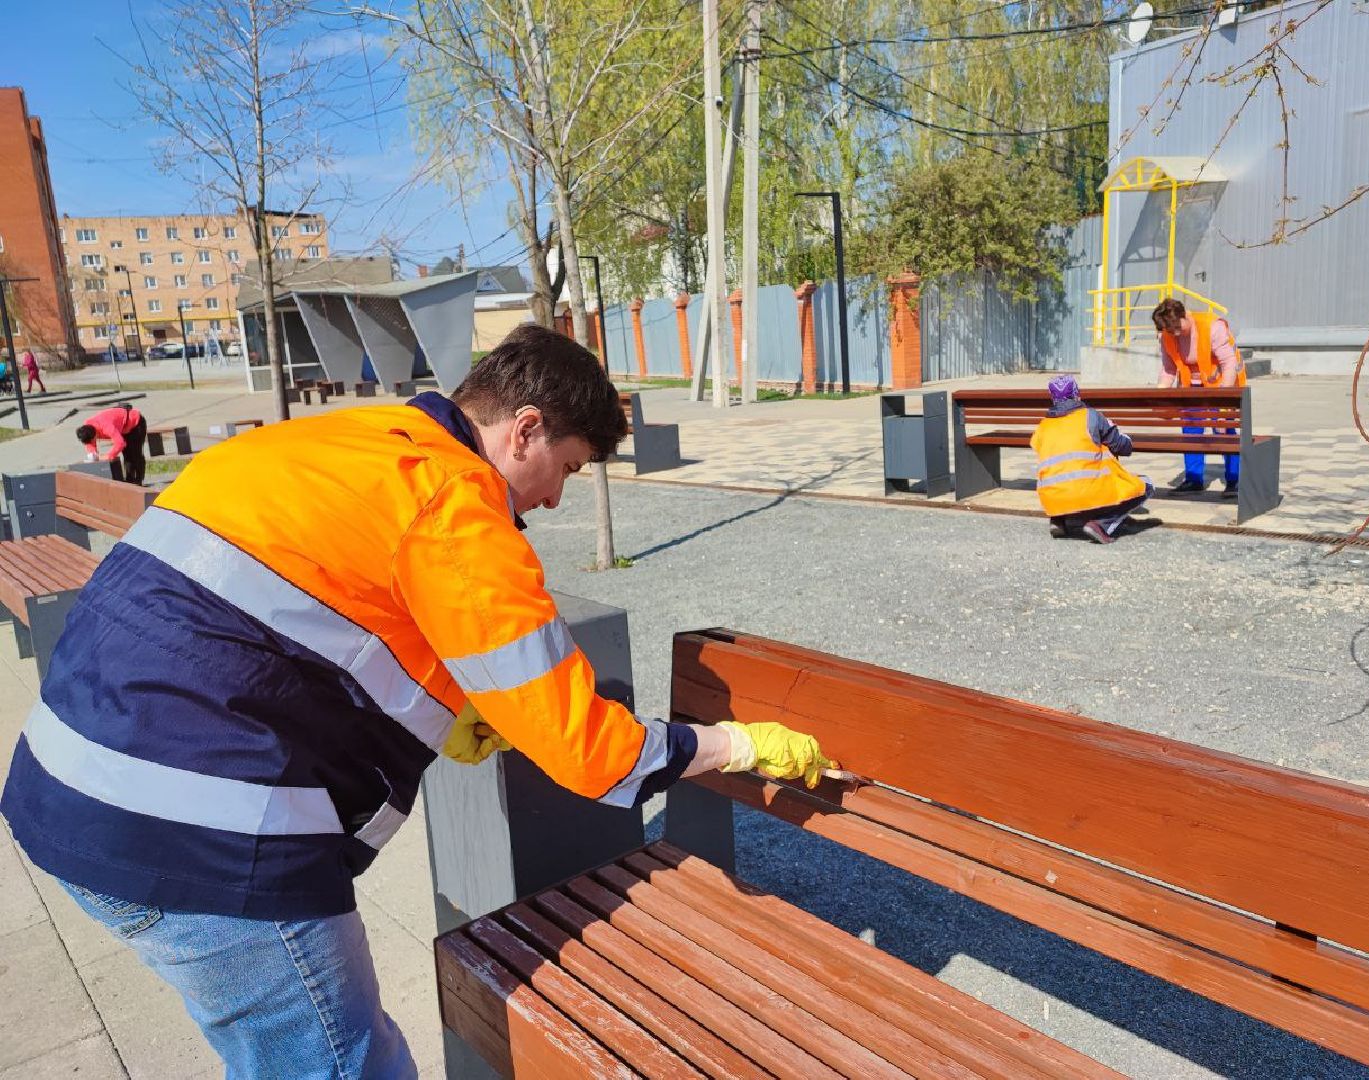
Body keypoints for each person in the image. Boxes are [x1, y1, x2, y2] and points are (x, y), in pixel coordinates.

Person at [0, 324, 834, 1079]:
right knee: (342, 1066)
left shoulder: (339, 440)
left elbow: (297, 610)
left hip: (62, 787)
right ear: (526, 429)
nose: (554, 499)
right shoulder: (455, 500)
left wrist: (441, 702)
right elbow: (592, 754)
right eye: (567, 470)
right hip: (199, 840)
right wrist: (735, 746)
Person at [1032, 374, 1153, 545]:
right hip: (1087, 492)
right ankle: (1100, 525)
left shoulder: (1042, 426)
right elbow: (1122, 446)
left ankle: (1058, 520)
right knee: (1146, 485)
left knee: (1062, 474)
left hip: (1052, 500)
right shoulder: (1091, 417)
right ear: (1077, 394)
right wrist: (1127, 440)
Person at [1152, 297, 1244, 497]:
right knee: (1191, 432)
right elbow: (1169, 369)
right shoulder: (1167, 336)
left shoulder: (1212, 327)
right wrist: (1160, 396)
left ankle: (1235, 480)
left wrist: (1223, 400)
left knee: (1224, 431)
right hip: (1190, 388)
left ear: (1184, 315)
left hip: (1221, 385)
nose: (1175, 333)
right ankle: (1193, 479)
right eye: (1170, 331)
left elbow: (1229, 363)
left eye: (1178, 327)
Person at [75, 404, 147, 485]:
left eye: (92, 440)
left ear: (94, 435)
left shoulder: (106, 426)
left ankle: (139, 480)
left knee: (135, 454)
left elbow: (120, 443)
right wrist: (93, 456)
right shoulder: (87, 429)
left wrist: (109, 455)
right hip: (122, 428)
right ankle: (130, 480)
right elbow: (90, 445)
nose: (92, 442)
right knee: (127, 455)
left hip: (136, 423)